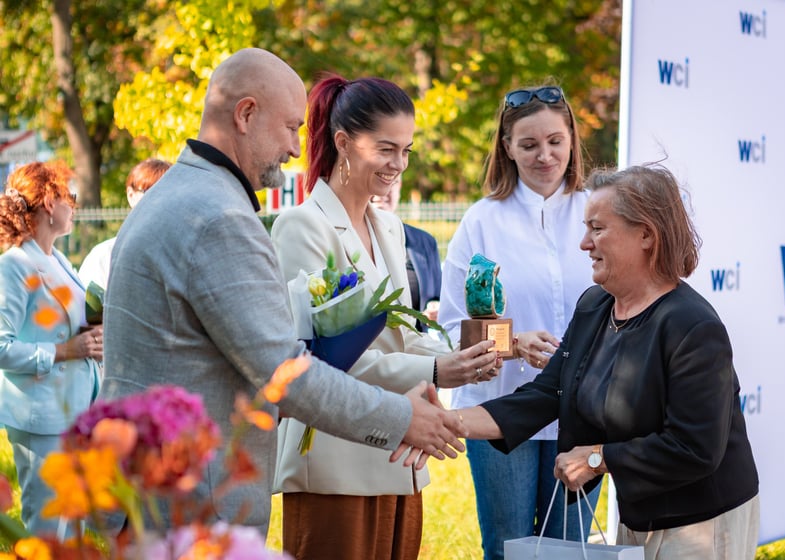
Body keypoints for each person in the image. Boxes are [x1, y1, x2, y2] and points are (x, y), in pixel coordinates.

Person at [101, 48, 467, 538]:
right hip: (190, 506)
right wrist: (401, 417)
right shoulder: (219, 219)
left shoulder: (178, 196)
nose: (297, 149)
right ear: (246, 114)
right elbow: (285, 373)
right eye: (291, 127)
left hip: (152, 494)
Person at [453, 165, 761, 559]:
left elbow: (695, 447)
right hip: (640, 518)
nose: (584, 243)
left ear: (646, 235)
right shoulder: (595, 305)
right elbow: (546, 394)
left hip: (702, 522)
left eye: (597, 229)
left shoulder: (693, 325)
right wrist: (450, 422)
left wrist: (597, 458)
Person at [270, 74, 500, 560]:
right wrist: (438, 369)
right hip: (334, 467)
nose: (398, 165)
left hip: (401, 463)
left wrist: (458, 358)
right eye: (386, 149)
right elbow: (323, 362)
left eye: (407, 150)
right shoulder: (300, 227)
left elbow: (404, 333)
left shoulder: (390, 227)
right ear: (342, 143)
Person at [436, 84, 598, 558]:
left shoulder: (598, 212)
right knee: (507, 547)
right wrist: (511, 342)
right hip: (500, 408)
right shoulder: (481, 222)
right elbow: (449, 327)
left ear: (571, 138)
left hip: (583, 411)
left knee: (571, 550)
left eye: (555, 141)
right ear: (506, 147)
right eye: (528, 145)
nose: (544, 155)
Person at [0, 161, 103, 535]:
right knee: (46, 532)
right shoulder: (14, 265)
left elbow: (64, 323)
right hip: (40, 419)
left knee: (71, 534)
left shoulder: (56, 258)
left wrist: (93, 331)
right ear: (48, 202)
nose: (74, 204)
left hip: (73, 411)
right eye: (69, 196)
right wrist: (67, 351)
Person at [78, 158, 171, 289]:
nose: (159, 200)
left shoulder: (184, 255)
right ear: (131, 195)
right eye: (150, 192)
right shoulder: (104, 256)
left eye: (167, 193)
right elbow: (89, 306)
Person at [371, 174, 442, 331]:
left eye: (391, 180)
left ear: (399, 186)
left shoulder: (424, 242)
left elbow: (438, 294)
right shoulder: (348, 239)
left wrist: (434, 306)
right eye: (376, 178)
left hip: (417, 346)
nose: (381, 192)